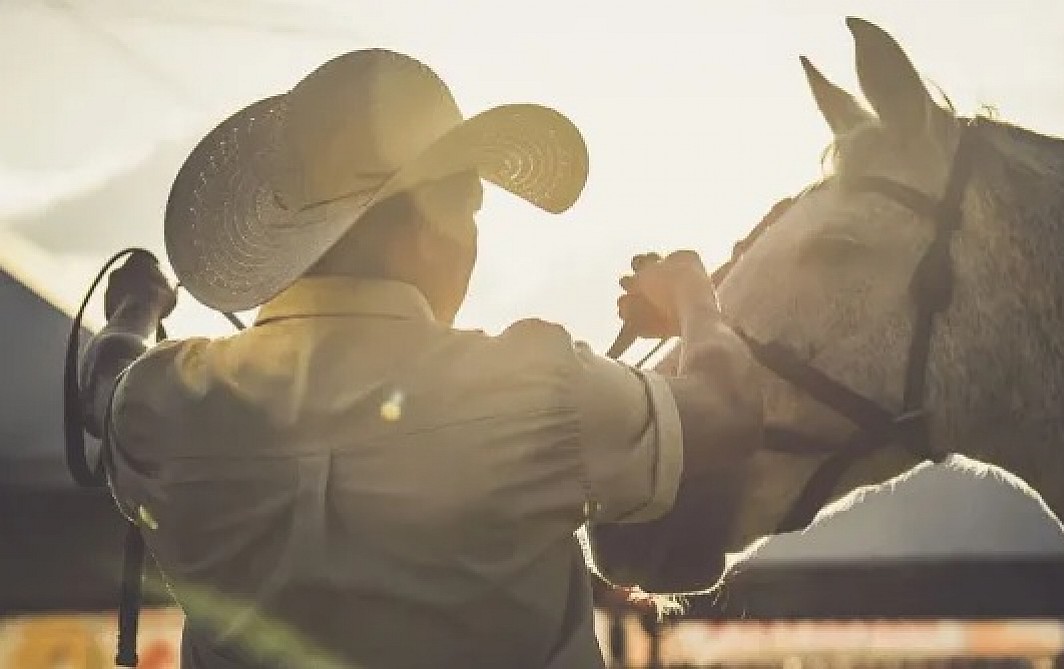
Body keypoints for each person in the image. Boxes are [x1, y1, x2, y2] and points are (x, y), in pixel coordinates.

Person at [80, 49, 762, 668]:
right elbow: (724, 414)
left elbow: (105, 375)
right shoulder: (537, 383)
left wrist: (137, 307)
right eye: (468, 214)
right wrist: (690, 290)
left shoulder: (161, 402)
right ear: (432, 229)